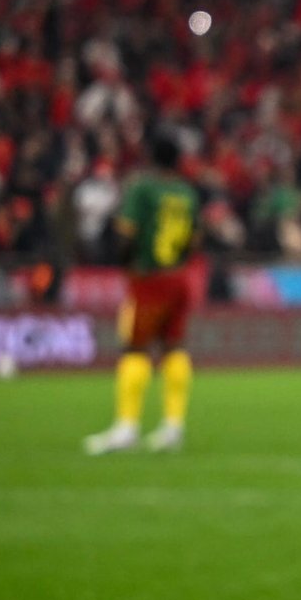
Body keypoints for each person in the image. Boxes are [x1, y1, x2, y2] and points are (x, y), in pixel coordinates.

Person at [84, 132, 200, 454]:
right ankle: (173, 425)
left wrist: (127, 266)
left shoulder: (142, 188)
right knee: (174, 346)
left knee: (135, 348)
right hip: (179, 277)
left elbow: (126, 234)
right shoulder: (187, 193)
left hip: (149, 278)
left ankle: (127, 427)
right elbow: (194, 240)